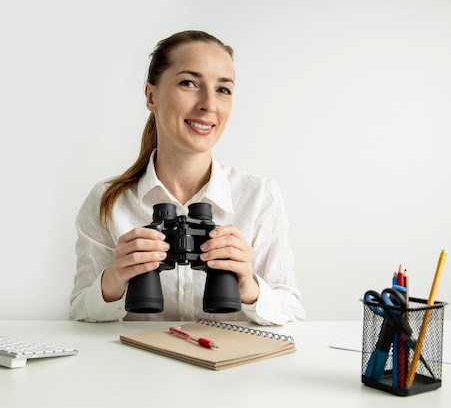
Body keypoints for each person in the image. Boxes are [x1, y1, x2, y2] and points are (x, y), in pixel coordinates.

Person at [69, 30, 305, 325]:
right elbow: (79, 313)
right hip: (138, 368)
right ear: (151, 96)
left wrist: (247, 285)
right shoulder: (109, 201)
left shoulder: (259, 196)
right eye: (189, 83)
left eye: (223, 90)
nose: (209, 104)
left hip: (230, 368)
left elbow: (293, 314)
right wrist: (114, 279)